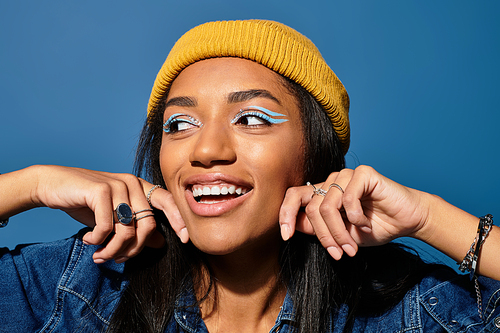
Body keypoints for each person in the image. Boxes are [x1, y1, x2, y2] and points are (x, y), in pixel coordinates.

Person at [0, 19, 499, 333]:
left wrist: (429, 217)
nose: (207, 150)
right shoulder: (79, 286)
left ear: (314, 156)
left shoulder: (410, 313)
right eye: (180, 124)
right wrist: (31, 184)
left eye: (252, 119)